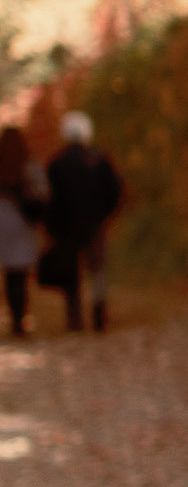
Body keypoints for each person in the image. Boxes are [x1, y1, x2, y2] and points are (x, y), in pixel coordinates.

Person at [44, 110, 122, 333]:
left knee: (72, 272)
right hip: (94, 224)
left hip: (67, 226)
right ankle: (99, 309)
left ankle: (74, 317)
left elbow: (52, 199)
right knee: (97, 267)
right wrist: (104, 215)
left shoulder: (57, 163)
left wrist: (52, 227)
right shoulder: (100, 160)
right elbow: (114, 192)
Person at [0, 125, 47, 337]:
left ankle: (15, 316)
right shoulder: (28, 164)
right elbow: (43, 191)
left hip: (2, 222)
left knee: (10, 273)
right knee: (20, 273)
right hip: (22, 224)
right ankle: (20, 318)